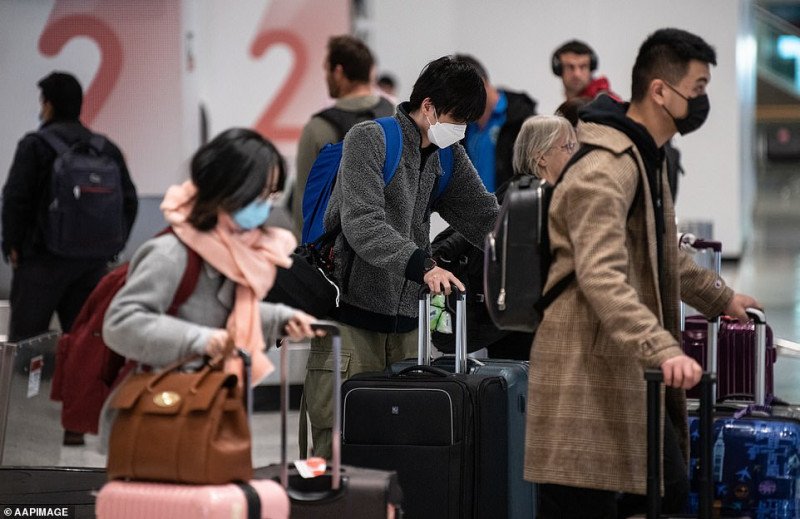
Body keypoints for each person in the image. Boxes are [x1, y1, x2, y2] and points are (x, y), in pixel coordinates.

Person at [526, 28, 761, 518]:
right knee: (593, 503)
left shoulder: (642, 157)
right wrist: (663, 348)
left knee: (667, 491)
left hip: (619, 369)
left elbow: (662, 254)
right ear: (660, 90)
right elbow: (600, 274)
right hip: (583, 377)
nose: (702, 101)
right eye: (696, 88)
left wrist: (722, 297)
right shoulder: (606, 167)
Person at [301, 55, 499, 459]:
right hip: (352, 325)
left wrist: (521, 248)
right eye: (455, 119)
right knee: (338, 442)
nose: (459, 131)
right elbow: (363, 224)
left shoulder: (447, 155)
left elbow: (481, 214)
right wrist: (423, 266)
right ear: (427, 107)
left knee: (403, 447)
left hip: (409, 328)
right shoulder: (369, 139)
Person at [102, 128, 319, 419]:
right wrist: (199, 339)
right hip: (158, 414)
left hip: (208, 404)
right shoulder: (171, 253)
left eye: (272, 195)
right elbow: (121, 324)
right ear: (227, 187)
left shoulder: (232, 250)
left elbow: (227, 316)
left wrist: (280, 319)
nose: (266, 207)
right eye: (259, 194)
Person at [1, 72, 138, 445]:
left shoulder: (36, 145)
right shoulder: (103, 148)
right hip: (92, 265)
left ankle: (19, 426)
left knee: (27, 344)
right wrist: (111, 245)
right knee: (85, 347)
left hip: (42, 262)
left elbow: (15, 198)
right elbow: (129, 200)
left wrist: (12, 244)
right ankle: (75, 428)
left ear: (47, 104)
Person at [432, 115, 576, 360]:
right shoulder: (537, 200)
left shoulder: (513, 191)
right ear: (541, 156)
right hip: (525, 332)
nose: (576, 154)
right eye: (569, 147)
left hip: (502, 329)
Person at [291, 35, 394, 239]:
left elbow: (304, 203)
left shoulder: (318, 129)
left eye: (326, 69)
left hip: (336, 253)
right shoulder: (396, 116)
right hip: (392, 246)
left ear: (338, 72)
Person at [453, 54, 537, 192]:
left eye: (463, 94)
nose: (459, 102)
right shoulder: (463, 125)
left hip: (513, 208)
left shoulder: (522, 117)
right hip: (476, 210)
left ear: (482, 83)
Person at [551, 39, 621, 102]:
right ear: (559, 69)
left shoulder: (605, 103)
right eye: (570, 67)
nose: (577, 74)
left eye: (583, 67)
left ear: (591, 68)